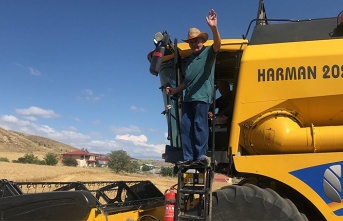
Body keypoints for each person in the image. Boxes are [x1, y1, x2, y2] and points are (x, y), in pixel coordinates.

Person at [167, 9, 221, 165]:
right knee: (185, 127)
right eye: (191, 41)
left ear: (202, 41)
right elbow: (187, 82)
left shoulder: (209, 53)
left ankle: (200, 156)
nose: (194, 43)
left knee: (199, 125)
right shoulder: (190, 60)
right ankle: (188, 157)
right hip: (189, 98)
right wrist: (175, 90)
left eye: (196, 40)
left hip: (202, 97)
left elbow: (218, 44)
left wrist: (214, 27)